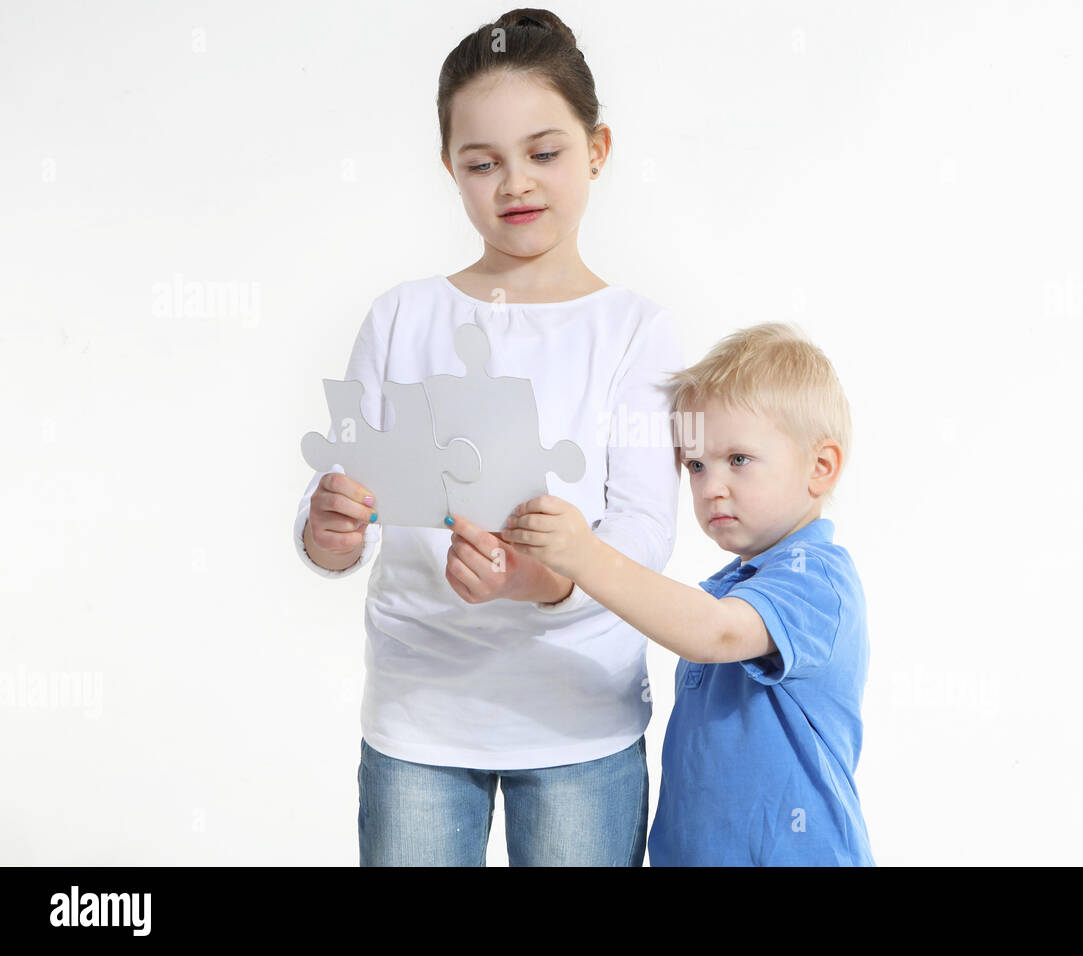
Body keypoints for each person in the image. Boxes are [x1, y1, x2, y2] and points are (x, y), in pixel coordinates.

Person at [293, 8, 683, 866]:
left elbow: (645, 528)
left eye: (544, 153)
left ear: (598, 149)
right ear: (450, 169)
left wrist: (546, 580)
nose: (515, 184)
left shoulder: (634, 330)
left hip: (580, 718)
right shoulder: (402, 317)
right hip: (419, 719)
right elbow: (344, 499)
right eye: (482, 163)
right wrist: (327, 533)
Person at [504, 322, 875, 865]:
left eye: (738, 459)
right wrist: (539, 579)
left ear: (820, 468)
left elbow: (714, 632)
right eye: (696, 466)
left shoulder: (816, 580)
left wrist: (584, 554)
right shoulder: (729, 587)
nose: (710, 487)